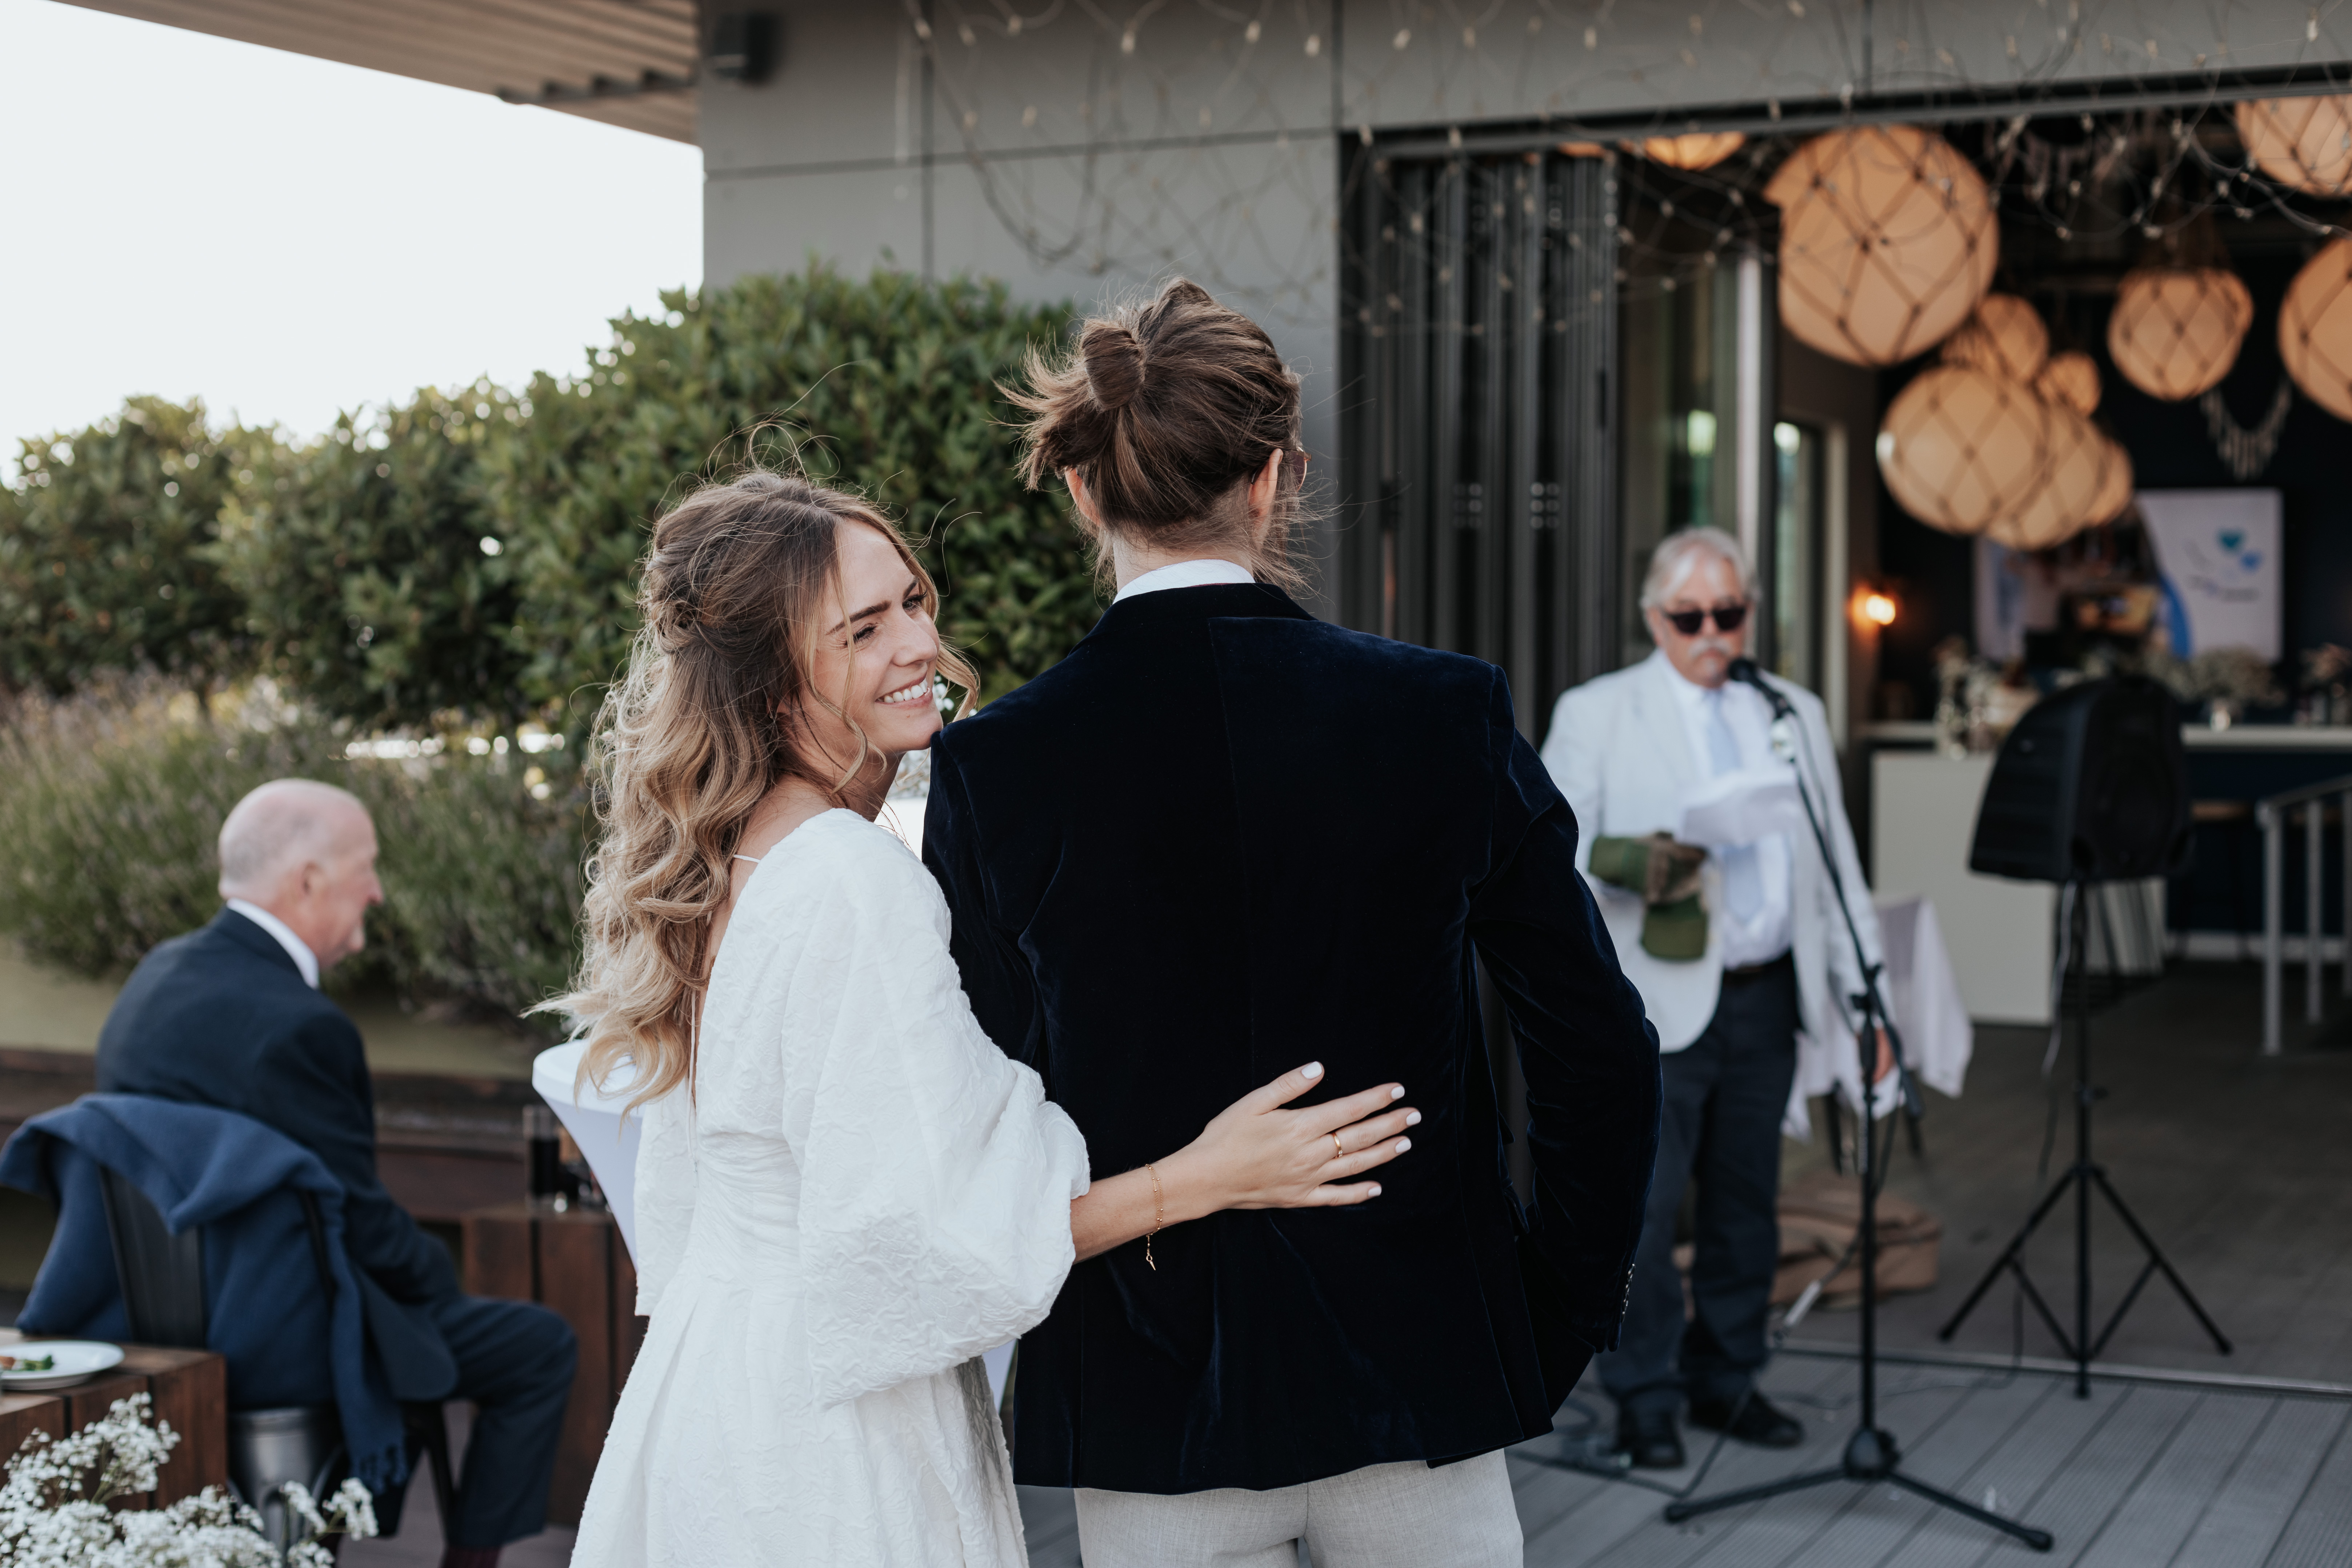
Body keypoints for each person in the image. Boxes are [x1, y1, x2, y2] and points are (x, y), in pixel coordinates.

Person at [921, 278, 1663, 1568]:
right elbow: (1597, 1045)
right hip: (1422, 1376)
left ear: (1086, 493)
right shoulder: (1440, 713)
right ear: (1276, 477)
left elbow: (980, 1105)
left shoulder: (997, 768)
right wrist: (1551, 1316)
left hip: (1149, 1409)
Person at [557, 470, 1422, 1568]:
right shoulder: (846, 881)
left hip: (712, 1396)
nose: (917, 643)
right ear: (778, 687)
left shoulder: (732, 860)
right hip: (834, 1437)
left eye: (912, 601)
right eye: (863, 631)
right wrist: (1209, 1174)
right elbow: (929, 1242)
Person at [94, 779, 577, 1568]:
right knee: (537, 1342)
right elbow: (362, 1223)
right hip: (285, 1336)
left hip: (152, 1322)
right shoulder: (301, 1024)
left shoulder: (152, 980)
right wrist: (439, 1280)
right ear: (310, 879)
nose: (379, 890)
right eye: (368, 866)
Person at [1539, 527, 1887, 1470]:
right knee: (1646, 1210)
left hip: (1768, 994)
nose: (1709, 633)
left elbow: (1836, 866)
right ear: (1654, 618)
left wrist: (1871, 1003)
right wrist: (1633, 861)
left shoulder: (1793, 712)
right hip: (1655, 1002)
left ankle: (1727, 1376)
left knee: (1746, 1202)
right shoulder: (1598, 711)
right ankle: (1642, 1394)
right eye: (1688, 617)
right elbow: (1548, 856)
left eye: (1726, 614)